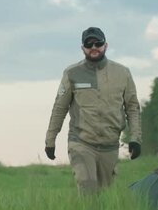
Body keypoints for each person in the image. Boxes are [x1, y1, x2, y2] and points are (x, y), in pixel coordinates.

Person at [44, 27, 142, 193]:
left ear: (106, 45)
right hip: (81, 142)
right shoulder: (71, 73)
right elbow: (59, 108)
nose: (94, 47)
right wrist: (50, 140)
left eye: (98, 43)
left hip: (110, 145)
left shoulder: (123, 73)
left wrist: (136, 138)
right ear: (83, 48)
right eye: (89, 44)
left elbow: (132, 107)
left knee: (104, 194)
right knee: (87, 185)